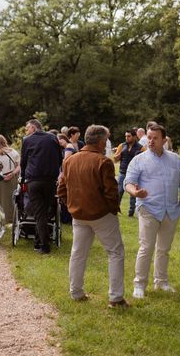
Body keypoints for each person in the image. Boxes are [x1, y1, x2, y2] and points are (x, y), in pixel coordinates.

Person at [57, 124, 128, 309]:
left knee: (78, 253)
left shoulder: (70, 160)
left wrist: (71, 205)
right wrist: (112, 210)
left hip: (78, 215)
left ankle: (76, 292)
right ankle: (116, 297)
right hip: (101, 215)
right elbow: (111, 192)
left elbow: (61, 189)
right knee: (115, 253)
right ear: (102, 141)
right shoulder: (103, 162)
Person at [124, 124, 180, 299]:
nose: (151, 141)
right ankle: (139, 284)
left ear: (164, 140)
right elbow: (128, 182)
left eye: (155, 138)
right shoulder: (139, 160)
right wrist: (135, 192)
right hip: (148, 209)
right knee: (146, 247)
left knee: (164, 249)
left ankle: (161, 282)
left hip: (171, 211)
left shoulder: (176, 160)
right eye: (149, 137)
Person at [20, 119, 62, 254]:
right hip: (50, 180)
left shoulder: (27, 140)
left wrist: (22, 179)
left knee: (40, 213)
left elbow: (23, 162)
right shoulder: (53, 138)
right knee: (44, 211)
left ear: (33, 127)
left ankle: (43, 245)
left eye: (27, 128)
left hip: (34, 180)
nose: (27, 131)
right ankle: (39, 242)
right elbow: (59, 158)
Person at [113, 130, 145, 217]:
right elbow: (115, 159)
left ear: (135, 137)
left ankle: (131, 213)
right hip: (122, 172)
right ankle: (115, 210)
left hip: (134, 174)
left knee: (133, 195)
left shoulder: (141, 148)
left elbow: (144, 161)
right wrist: (117, 156)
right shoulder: (121, 145)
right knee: (119, 192)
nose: (127, 138)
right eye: (126, 136)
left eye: (129, 136)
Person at [0, 134, 20, 223]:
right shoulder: (13, 152)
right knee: (11, 199)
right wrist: (12, 174)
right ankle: (11, 219)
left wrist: (1, 175)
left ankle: (0, 219)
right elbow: (18, 166)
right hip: (11, 178)